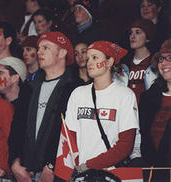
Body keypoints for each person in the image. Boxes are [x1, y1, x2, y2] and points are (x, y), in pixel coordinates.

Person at [10, 31, 76, 182]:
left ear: (62, 52)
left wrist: (53, 165)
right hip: (25, 172)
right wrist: (14, 163)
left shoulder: (74, 88)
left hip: (59, 172)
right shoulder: (29, 88)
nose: (39, 52)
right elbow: (16, 128)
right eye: (38, 48)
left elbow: (71, 133)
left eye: (45, 48)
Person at [65, 41, 139, 172]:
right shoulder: (77, 94)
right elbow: (69, 139)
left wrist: (90, 165)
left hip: (110, 173)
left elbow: (125, 145)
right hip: (80, 174)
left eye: (95, 58)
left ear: (109, 62)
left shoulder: (125, 95)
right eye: (88, 59)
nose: (89, 62)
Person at [139, 39, 171, 181]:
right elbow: (143, 138)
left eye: (169, 58)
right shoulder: (148, 98)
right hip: (153, 172)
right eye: (161, 59)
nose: (163, 63)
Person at [126, 18, 158, 104]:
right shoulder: (124, 65)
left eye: (137, 32)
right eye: (131, 33)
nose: (132, 36)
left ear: (148, 38)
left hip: (146, 112)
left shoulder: (156, 64)